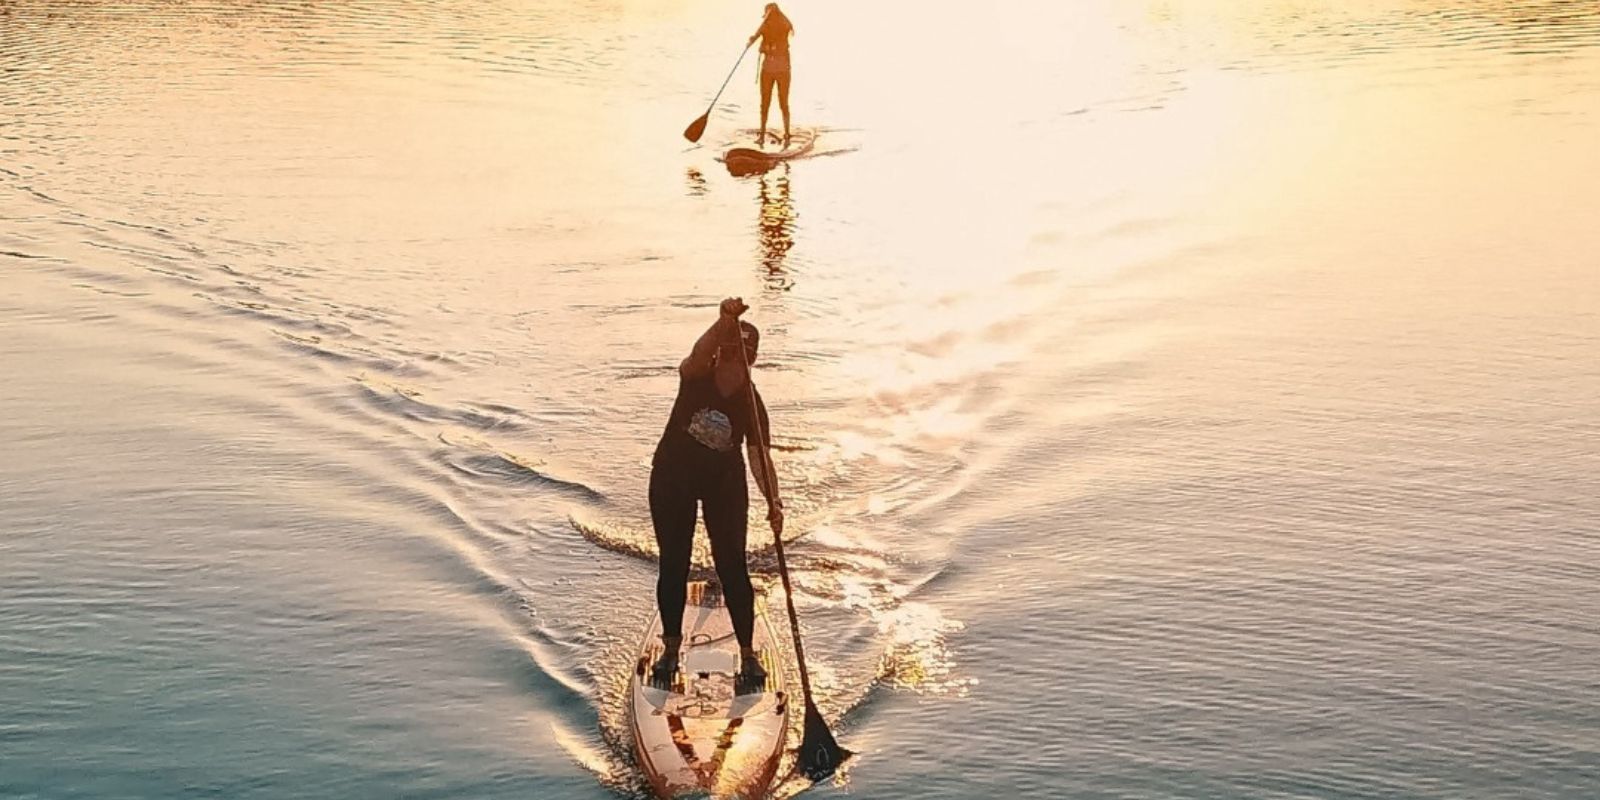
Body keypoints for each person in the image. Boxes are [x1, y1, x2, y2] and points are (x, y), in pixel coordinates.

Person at [649, 297, 785, 690]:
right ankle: (671, 650)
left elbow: (760, 459)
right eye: (724, 351)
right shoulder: (695, 376)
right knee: (673, 563)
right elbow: (696, 353)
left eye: (737, 353)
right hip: (673, 477)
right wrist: (722, 321)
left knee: (733, 567)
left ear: (751, 359)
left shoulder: (751, 405)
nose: (726, 359)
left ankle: (748, 655)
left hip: (723, 482)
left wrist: (774, 502)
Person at [747, 3, 795, 148]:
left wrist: (765, 47)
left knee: (781, 103)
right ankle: (763, 135)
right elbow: (756, 38)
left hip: (780, 70)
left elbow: (778, 46)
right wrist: (751, 41)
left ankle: (785, 135)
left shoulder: (783, 24)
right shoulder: (769, 24)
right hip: (771, 70)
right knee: (767, 103)